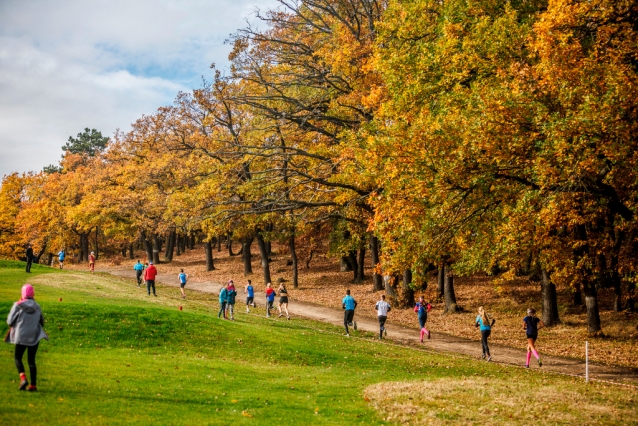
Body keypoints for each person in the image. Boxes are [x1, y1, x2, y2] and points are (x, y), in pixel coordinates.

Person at [5, 284, 48, 391]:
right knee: (31, 360)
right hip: (34, 336)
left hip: (20, 336)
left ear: (22, 293)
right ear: (33, 293)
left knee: (17, 357)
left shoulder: (17, 305)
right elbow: (41, 322)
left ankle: (23, 378)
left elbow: (9, 321)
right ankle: (33, 385)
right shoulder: (37, 306)